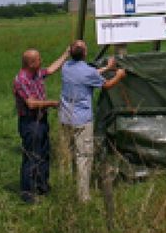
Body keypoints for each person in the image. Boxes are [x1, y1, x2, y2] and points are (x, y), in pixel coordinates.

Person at [59, 39, 127, 202]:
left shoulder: (66, 67)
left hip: (65, 117)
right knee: (83, 156)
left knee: (66, 154)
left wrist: (107, 68)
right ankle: (83, 196)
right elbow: (107, 85)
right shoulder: (88, 72)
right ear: (84, 54)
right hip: (82, 121)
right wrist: (118, 75)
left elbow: (89, 74)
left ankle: (64, 186)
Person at [13, 45, 70, 204]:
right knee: (32, 156)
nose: (41, 61)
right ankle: (28, 192)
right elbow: (31, 104)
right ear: (31, 63)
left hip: (41, 120)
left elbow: (51, 69)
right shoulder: (21, 80)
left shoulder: (36, 73)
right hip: (30, 122)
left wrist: (65, 54)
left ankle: (42, 186)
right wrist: (52, 103)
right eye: (38, 59)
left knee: (44, 153)